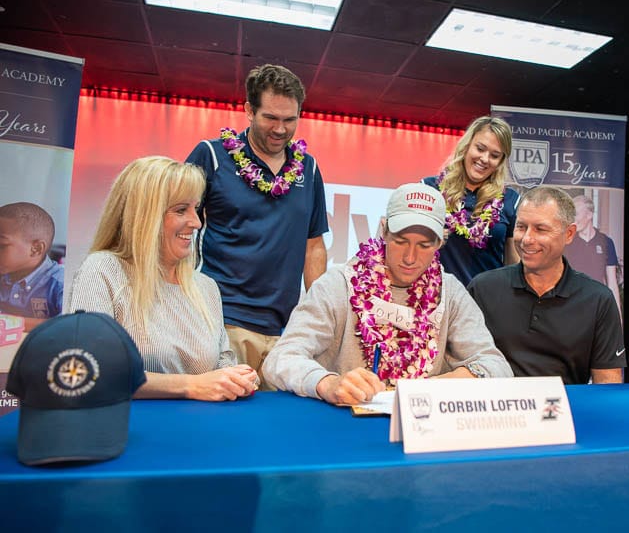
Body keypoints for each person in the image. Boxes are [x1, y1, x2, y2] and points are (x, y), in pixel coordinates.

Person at [264, 183, 513, 405]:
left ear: (440, 243)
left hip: (422, 433)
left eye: (424, 245)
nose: (410, 257)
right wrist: (328, 383)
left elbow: (496, 367)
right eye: (401, 241)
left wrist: (430, 388)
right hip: (344, 430)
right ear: (384, 230)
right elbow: (280, 360)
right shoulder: (337, 285)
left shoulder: (450, 293)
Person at [68, 156, 258, 401]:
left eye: (196, 209)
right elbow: (91, 370)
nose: (197, 222)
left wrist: (236, 377)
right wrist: (192, 385)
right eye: (181, 210)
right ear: (143, 215)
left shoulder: (206, 287)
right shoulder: (102, 270)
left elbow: (221, 362)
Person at [186, 64, 328, 389]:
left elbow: (313, 245)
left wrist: (317, 317)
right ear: (249, 110)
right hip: (221, 321)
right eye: (270, 118)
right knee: (220, 426)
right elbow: (174, 225)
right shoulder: (212, 155)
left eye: (289, 120)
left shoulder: (309, 167)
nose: (280, 129)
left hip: (285, 331)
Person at [467, 186, 625, 384]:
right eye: (521, 227)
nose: (527, 239)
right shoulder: (483, 289)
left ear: (569, 234)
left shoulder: (598, 300)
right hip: (498, 413)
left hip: (566, 412)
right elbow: (462, 363)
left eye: (540, 229)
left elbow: (608, 385)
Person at [422, 115, 519, 286]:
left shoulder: (510, 200)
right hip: (437, 299)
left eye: (495, 155)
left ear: (501, 161)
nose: (484, 159)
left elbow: (513, 265)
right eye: (480, 148)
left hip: (487, 303)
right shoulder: (430, 189)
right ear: (467, 145)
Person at [0, 202, 64, 331]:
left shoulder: (60, 283)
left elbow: (69, 324)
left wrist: (10, 323)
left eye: (2, 245)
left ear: (36, 249)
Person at [564, 194, 622, 316]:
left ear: (589, 215)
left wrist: (618, 317)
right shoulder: (567, 242)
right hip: (572, 308)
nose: (573, 220)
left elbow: (612, 283)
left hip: (597, 308)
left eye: (576, 214)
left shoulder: (606, 242)